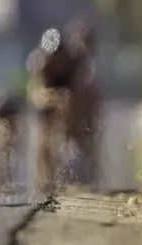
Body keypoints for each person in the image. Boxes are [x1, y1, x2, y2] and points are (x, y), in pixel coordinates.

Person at [27, 20, 98, 193]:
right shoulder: (41, 63)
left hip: (70, 95)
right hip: (48, 97)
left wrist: (79, 124)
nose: (55, 61)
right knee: (42, 137)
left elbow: (82, 90)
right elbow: (36, 94)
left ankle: (84, 164)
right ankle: (43, 182)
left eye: (58, 57)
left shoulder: (74, 61)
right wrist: (53, 99)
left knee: (73, 104)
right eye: (51, 57)